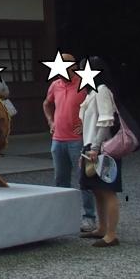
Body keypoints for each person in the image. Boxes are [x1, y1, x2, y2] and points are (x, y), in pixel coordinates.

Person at [42, 53, 96, 233]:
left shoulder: (84, 83)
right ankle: (63, 216)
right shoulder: (55, 85)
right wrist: (51, 122)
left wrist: (86, 124)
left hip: (78, 140)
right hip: (58, 139)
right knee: (60, 180)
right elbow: (46, 104)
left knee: (84, 179)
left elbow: (95, 107)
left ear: (73, 66)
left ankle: (89, 217)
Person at [79, 56, 122, 247]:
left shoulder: (102, 90)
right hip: (90, 146)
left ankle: (111, 234)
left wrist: (96, 147)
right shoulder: (91, 92)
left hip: (103, 147)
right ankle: (102, 227)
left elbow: (106, 121)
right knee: (97, 189)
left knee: (108, 190)